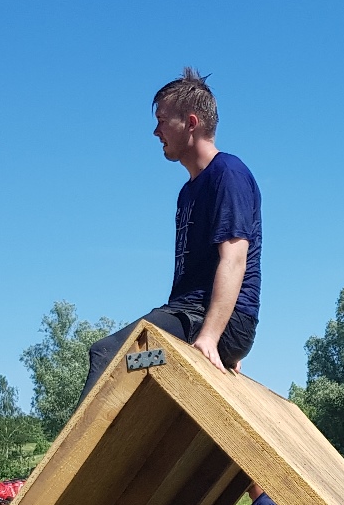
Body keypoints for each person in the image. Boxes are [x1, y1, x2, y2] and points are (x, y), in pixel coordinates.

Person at [81, 69, 260, 399]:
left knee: (107, 356)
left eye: (162, 121)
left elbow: (235, 260)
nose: (156, 131)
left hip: (212, 321)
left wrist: (213, 336)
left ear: (191, 123)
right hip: (192, 317)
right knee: (138, 366)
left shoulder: (228, 173)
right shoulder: (188, 192)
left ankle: (78, 438)